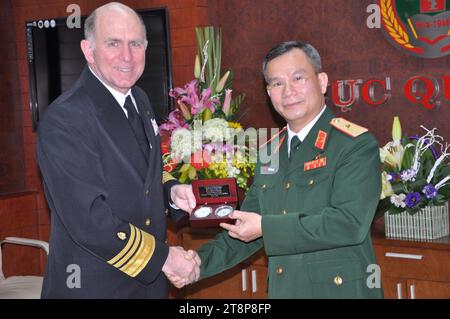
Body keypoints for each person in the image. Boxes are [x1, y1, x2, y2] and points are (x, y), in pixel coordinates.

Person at [177, 41, 383, 298]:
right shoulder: (270, 151)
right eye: (276, 83)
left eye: (298, 78)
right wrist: (196, 263)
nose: (288, 91)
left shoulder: (354, 144)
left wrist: (266, 227)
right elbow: (245, 225)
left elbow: (348, 223)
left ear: (321, 81)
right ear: (268, 92)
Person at [36, 2, 199, 298]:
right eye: (114, 43)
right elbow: (88, 220)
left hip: (146, 285)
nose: (127, 56)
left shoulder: (138, 98)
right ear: (88, 51)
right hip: (96, 287)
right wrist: (163, 257)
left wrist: (171, 190)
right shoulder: (66, 118)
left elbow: (143, 174)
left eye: (135, 44)